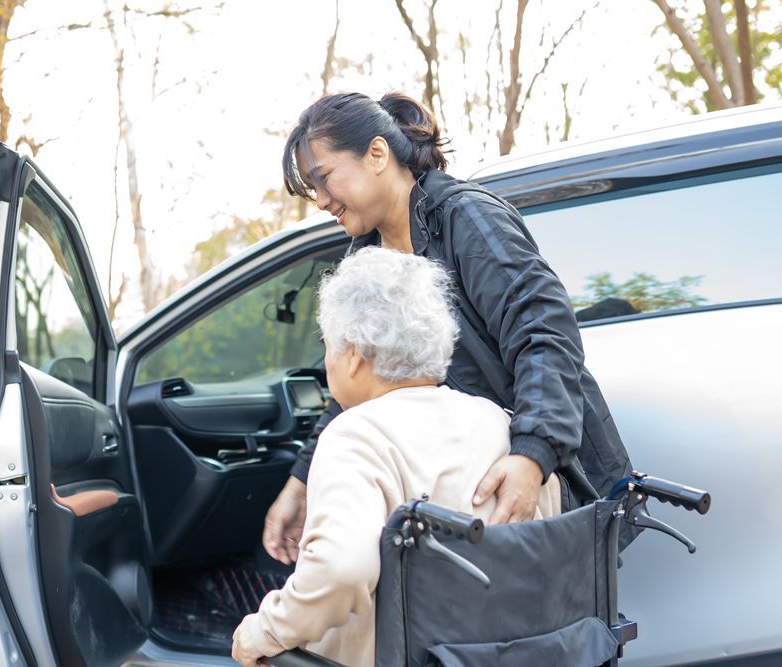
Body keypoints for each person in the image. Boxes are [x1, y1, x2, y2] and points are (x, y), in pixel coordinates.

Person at [263, 91, 635, 567]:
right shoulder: (367, 256)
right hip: (459, 495)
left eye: (324, 178)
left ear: (377, 154)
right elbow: (357, 384)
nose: (319, 199)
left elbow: (544, 334)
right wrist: (301, 481)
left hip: (534, 480)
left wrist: (532, 454)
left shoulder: (467, 219)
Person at [232, 247, 561, 667]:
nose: (327, 361)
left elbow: (340, 572)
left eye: (327, 346)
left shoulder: (355, 434)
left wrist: (261, 631)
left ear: (353, 354)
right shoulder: (498, 421)